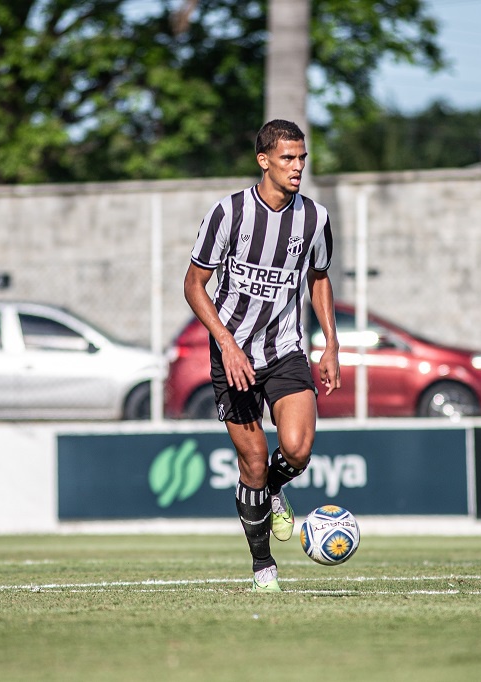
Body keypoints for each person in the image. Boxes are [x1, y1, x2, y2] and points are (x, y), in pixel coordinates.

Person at [183, 119, 341, 592]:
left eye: (302, 158)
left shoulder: (315, 218)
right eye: (288, 158)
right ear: (264, 160)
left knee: (297, 448)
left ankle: (273, 492)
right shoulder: (228, 214)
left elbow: (318, 278)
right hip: (233, 356)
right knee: (252, 461)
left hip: (286, 348)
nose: (298, 167)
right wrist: (227, 344)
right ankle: (263, 567)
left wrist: (331, 342)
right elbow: (194, 285)